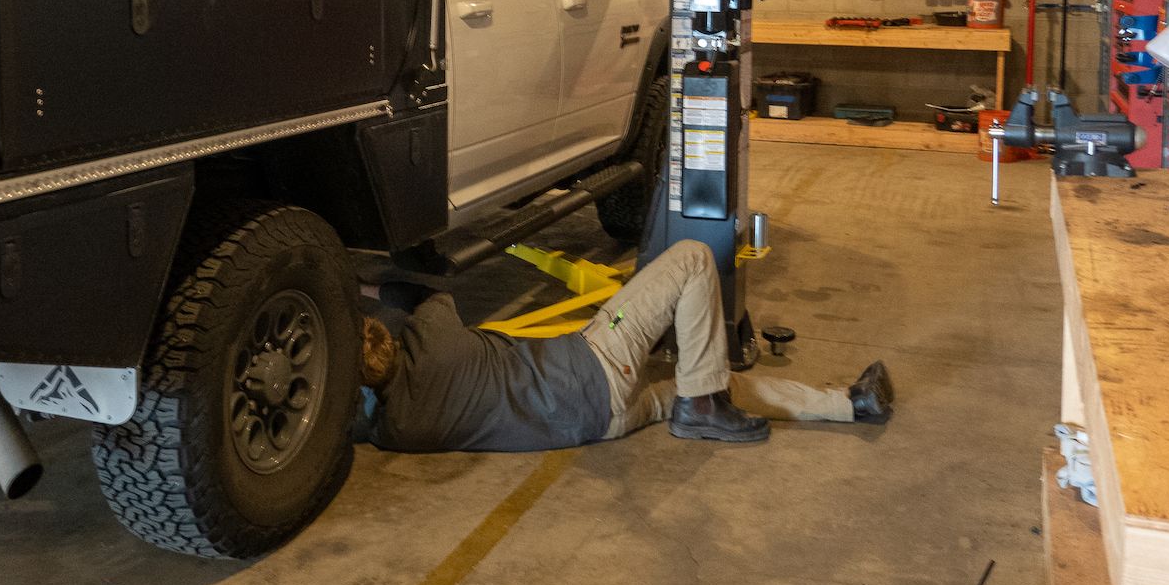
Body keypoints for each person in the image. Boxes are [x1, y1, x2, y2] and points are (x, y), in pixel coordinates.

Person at [359, 239, 893, 453]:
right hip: (594, 367)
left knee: (696, 384)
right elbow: (424, 291)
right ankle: (704, 405)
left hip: (600, 425)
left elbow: (355, 423)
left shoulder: (396, 429)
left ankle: (848, 403)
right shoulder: (433, 340)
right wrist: (360, 290)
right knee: (690, 258)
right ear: (384, 335)